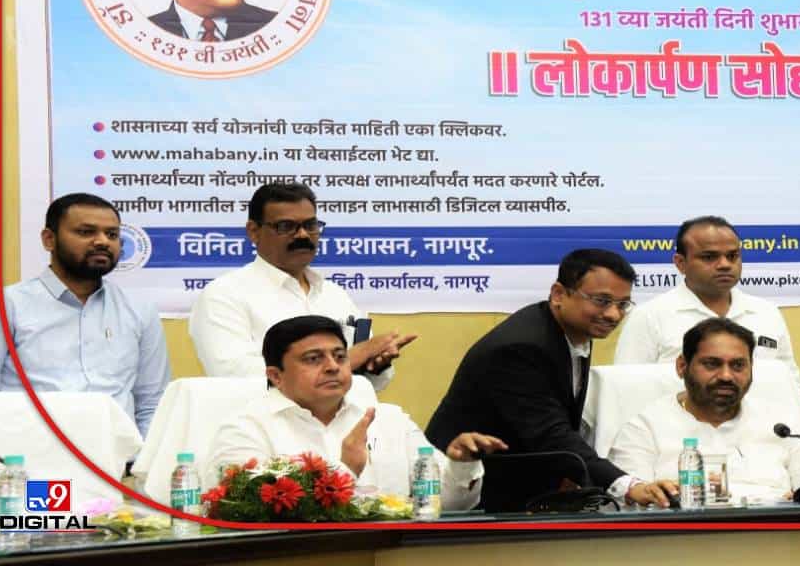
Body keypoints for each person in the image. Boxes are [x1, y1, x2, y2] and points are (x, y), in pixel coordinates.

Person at [425, 249, 677, 508]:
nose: (614, 315)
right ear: (559, 294)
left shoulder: (572, 331)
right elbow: (551, 435)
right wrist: (629, 486)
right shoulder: (520, 347)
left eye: (622, 305)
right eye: (602, 301)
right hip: (462, 491)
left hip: (517, 485)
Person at [206, 316, 505, 509]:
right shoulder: (246, 430)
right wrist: (345, 470)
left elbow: (449, 505)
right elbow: (248, 511)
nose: (332, 367)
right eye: (313, 359)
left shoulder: (389, 420)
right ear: (275, 375)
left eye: (339, 356)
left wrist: (461, 466)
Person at [0, 193, 169, 436]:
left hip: (119, 456)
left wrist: (145, 458)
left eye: (112, 234)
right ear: (49, 239)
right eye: (86, 232)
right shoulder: (3, 306)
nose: (102, 242)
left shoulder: (139, 309)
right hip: (34, 454)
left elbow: (152, 402)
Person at [188, 182, 410, 388]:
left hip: (344, 416)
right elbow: (236, 377)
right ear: (254, 231)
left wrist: (376, 365)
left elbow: (371, 384)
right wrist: (350, 359)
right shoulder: (224, 295)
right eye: (286, 226)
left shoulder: (334, 295)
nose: (303, 235)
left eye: (310, 225)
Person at [609, 318, 800, 503]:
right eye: (712, 364)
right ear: (682, 366)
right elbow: (628, 502)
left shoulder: (784, 426)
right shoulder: (644, 428)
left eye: (738, 365)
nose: (726, 376)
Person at [613, 216, 800, 390]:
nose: (724, 264)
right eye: (709, 257)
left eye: (732, 256)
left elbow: (791, 384)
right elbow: (626, 388)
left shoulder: (766, 312)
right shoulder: (649, 316)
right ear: (680, 263)